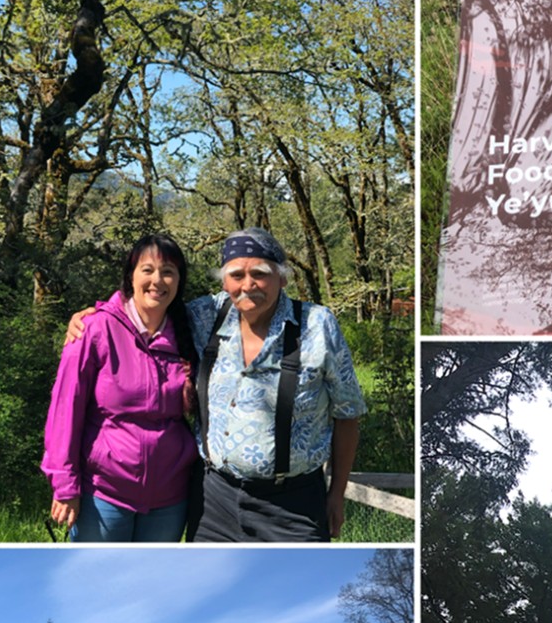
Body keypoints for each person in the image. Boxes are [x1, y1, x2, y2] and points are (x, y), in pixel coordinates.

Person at [66, 227, 365, 542]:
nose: (247, 285)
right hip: (213, 502)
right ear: (224, 282)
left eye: (260, 274)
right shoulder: (204, 316)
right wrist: (95, 316)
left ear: (282, 278)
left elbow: (348, 413)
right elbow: (147, 308)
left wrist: (337, 493)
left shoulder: (317, 325)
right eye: (236, 275)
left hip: (293, 507)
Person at [43, 234, 198, 542]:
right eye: (147, 270)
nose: (157, 280)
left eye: (168, 272)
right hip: (104, 494)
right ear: (131, 276)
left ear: (179, 281)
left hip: (170, 498)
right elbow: (65, 408)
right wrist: (64, 484)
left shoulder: (191, 331)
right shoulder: (94, 329)